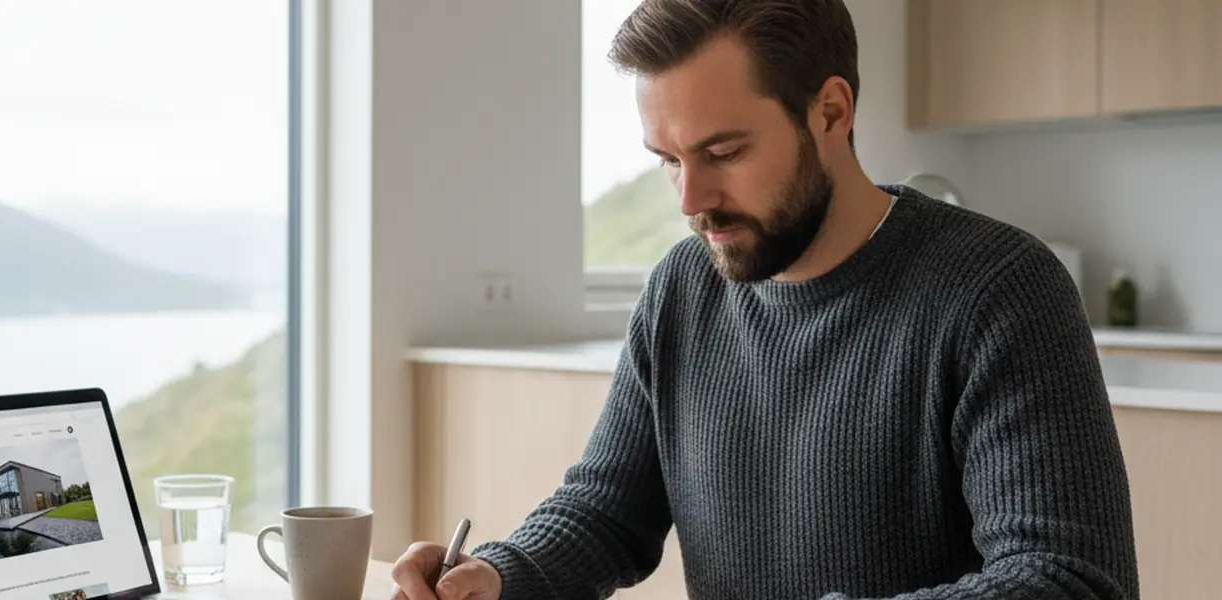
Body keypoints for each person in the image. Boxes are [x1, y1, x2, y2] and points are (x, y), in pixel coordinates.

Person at [390, 0, 1139, 598]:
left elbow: (1066, 577)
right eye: (668, 161)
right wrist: (496, 576)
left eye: (723, 153)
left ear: (831, 112)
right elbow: (606, 512)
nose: (693, 199)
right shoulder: (682, 291)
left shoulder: (999, 288)